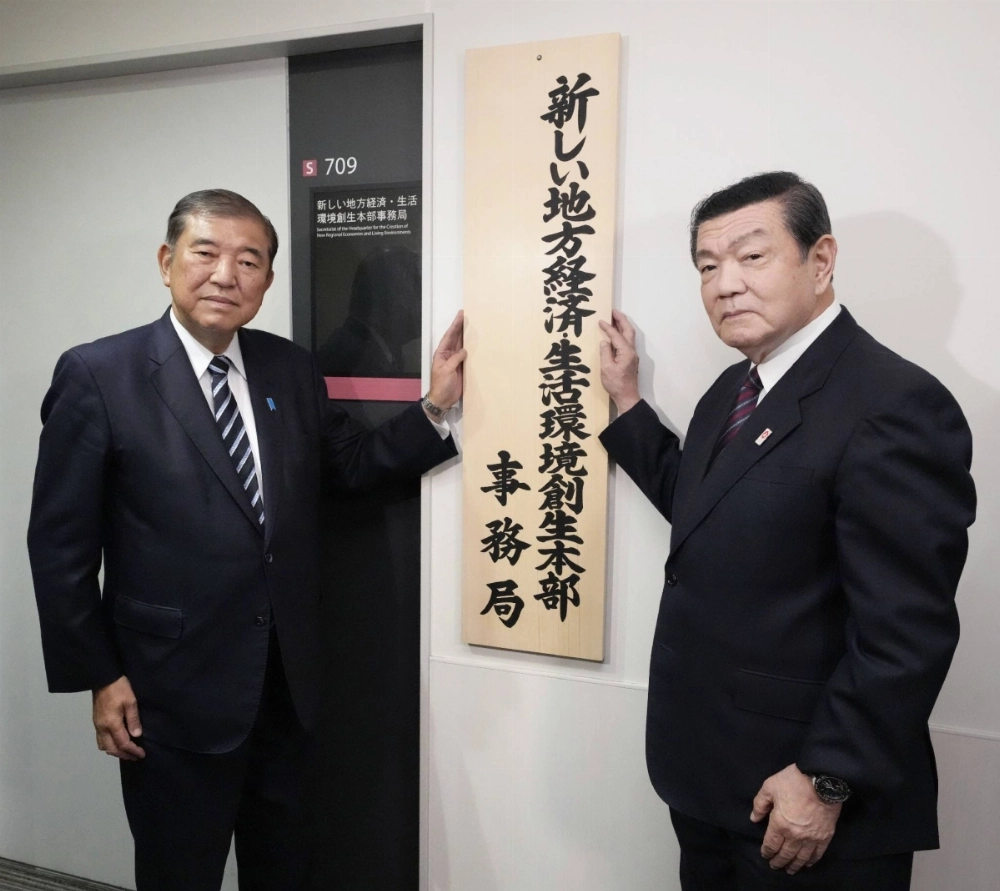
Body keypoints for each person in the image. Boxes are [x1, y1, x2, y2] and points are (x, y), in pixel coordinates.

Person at [27, 189, 465, 891]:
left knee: (284, 868)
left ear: (267, 279)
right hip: (169, 693)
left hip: (285, 689)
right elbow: (60, 548)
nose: (226, 275)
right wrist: (101, 677)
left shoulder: (289, 368)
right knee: (180, 872)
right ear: (167, 261)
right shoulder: (100, 375)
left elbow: (350, 468)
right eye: (206, 252)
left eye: (249, 260)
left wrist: (436, 405)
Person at [597, 172, 975, 890]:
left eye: (751, 256)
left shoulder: (895, 403)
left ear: (820, 260)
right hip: (709, 778)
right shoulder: (733, 389)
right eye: (707, 266)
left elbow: (907, 631)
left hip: (807, 801)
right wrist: (628, 405)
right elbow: (705, 509)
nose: (725, 284)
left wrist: (828, 778)